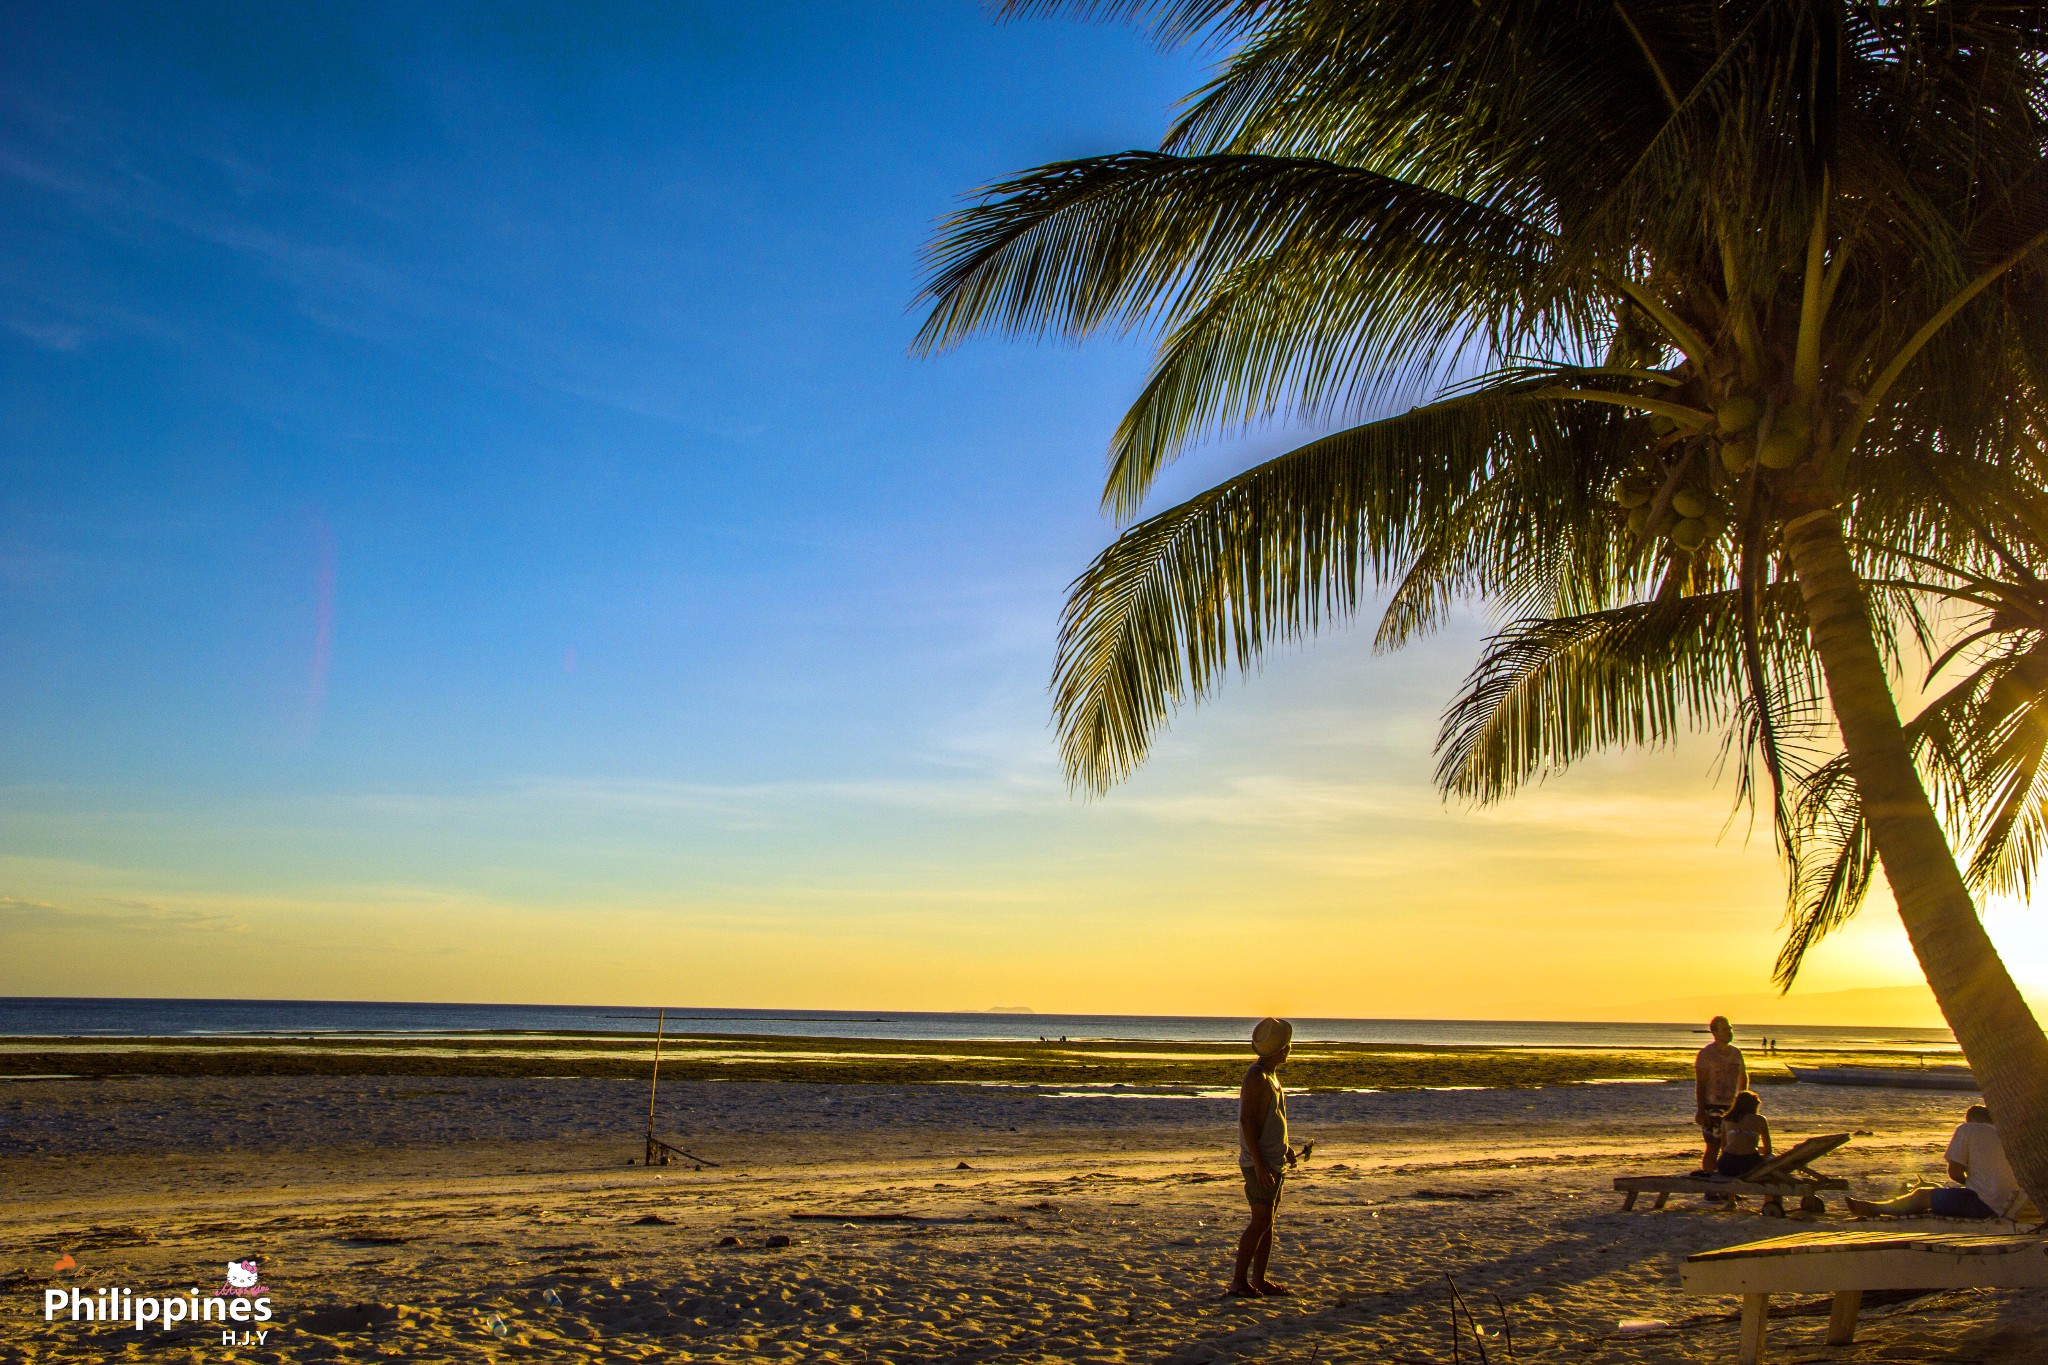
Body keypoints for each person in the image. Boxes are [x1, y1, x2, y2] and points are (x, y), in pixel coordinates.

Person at [1847, 1105, 2020, 1221]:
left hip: (1984, 1204)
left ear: (1970, 1119)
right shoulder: (2008, 1134)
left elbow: (1955, 1173)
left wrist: (1972, 1181)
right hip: (2011, 1202)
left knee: (1922, 1195)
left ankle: (1876, 1209)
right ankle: (1878, 1207)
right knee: (1942, 1193)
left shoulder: (1967, 1129)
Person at [1230, 1016, 1295, 1298]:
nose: (1290, 1049)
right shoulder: (1256, 1077)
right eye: (1287, 1045)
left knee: (1267, 1222)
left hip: (1272, 1160)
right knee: (1259, 1221)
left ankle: (1259, 1279)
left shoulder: (1271, 1076)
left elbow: (1272, 1120)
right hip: (1260, 1164)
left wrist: (1286, 1148)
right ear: (1280, 1049)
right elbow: (1247, 1122)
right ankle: (1239, 1282)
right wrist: (1258, 1164)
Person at [1693, 1016, 1748, 1174]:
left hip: (1731, 1106)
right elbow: (1701, 1084)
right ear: (1715, 1032)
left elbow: (1743, 1076)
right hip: (1712, 1105)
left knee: (1731, 1146)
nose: (1729, 1032)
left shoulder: (1736, 1053)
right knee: (1713, 1145)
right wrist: (1701, 1109)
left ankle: (1727, 1187)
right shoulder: (1706, 1054)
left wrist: (1742, 1100)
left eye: (1730, 1029)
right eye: (1725, 1029)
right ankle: (1711, 1185)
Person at [1715, 1090, 1772, 1177]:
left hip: (1726, 1164)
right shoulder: (1760, 1119)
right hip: (1748, 1163)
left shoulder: (1727, 1119)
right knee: (1771, 1157)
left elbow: (1723, 1146)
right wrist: (1756, 1149)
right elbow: (1768, 1150)